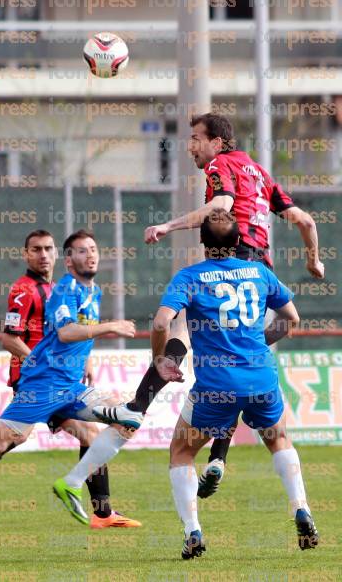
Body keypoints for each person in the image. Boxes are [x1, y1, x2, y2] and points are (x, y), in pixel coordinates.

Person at [92, 113, 325, 497]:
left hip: (233, 264)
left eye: (197, 138)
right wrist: (313, 260)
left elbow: (220, 205)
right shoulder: (260, 173)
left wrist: (167, 226)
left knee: (180, 330)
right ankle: (218, 456)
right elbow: (304, 220)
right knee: (236, 363)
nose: (191, 146)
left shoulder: (220, 165)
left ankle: (138, 405)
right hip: (260, 279)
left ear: (218, 141)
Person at [0, 230, 138, 544]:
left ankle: (95, 506)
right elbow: (14, 337)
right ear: (27, 254)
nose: (44, 255)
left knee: (122, 421)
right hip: (40, 381)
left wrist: (84, 359)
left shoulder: (78, 290)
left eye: (48, 248)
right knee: (3, 439)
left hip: (66, 383)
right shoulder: (27, 290)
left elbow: (74, 331)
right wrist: (41, 361)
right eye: (37, 249)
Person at [151, 209, 319, 558]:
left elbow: (160, 323)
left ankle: (193, 532)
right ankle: (300, 506)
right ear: (240, 241)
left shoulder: (189, 277)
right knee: (279, 440)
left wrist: (161, 361)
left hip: (217, 386)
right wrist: (260, 340)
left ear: (201, 242)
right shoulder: (259, 272)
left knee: (181, 452)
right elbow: (292, 318)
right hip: (261, 378)